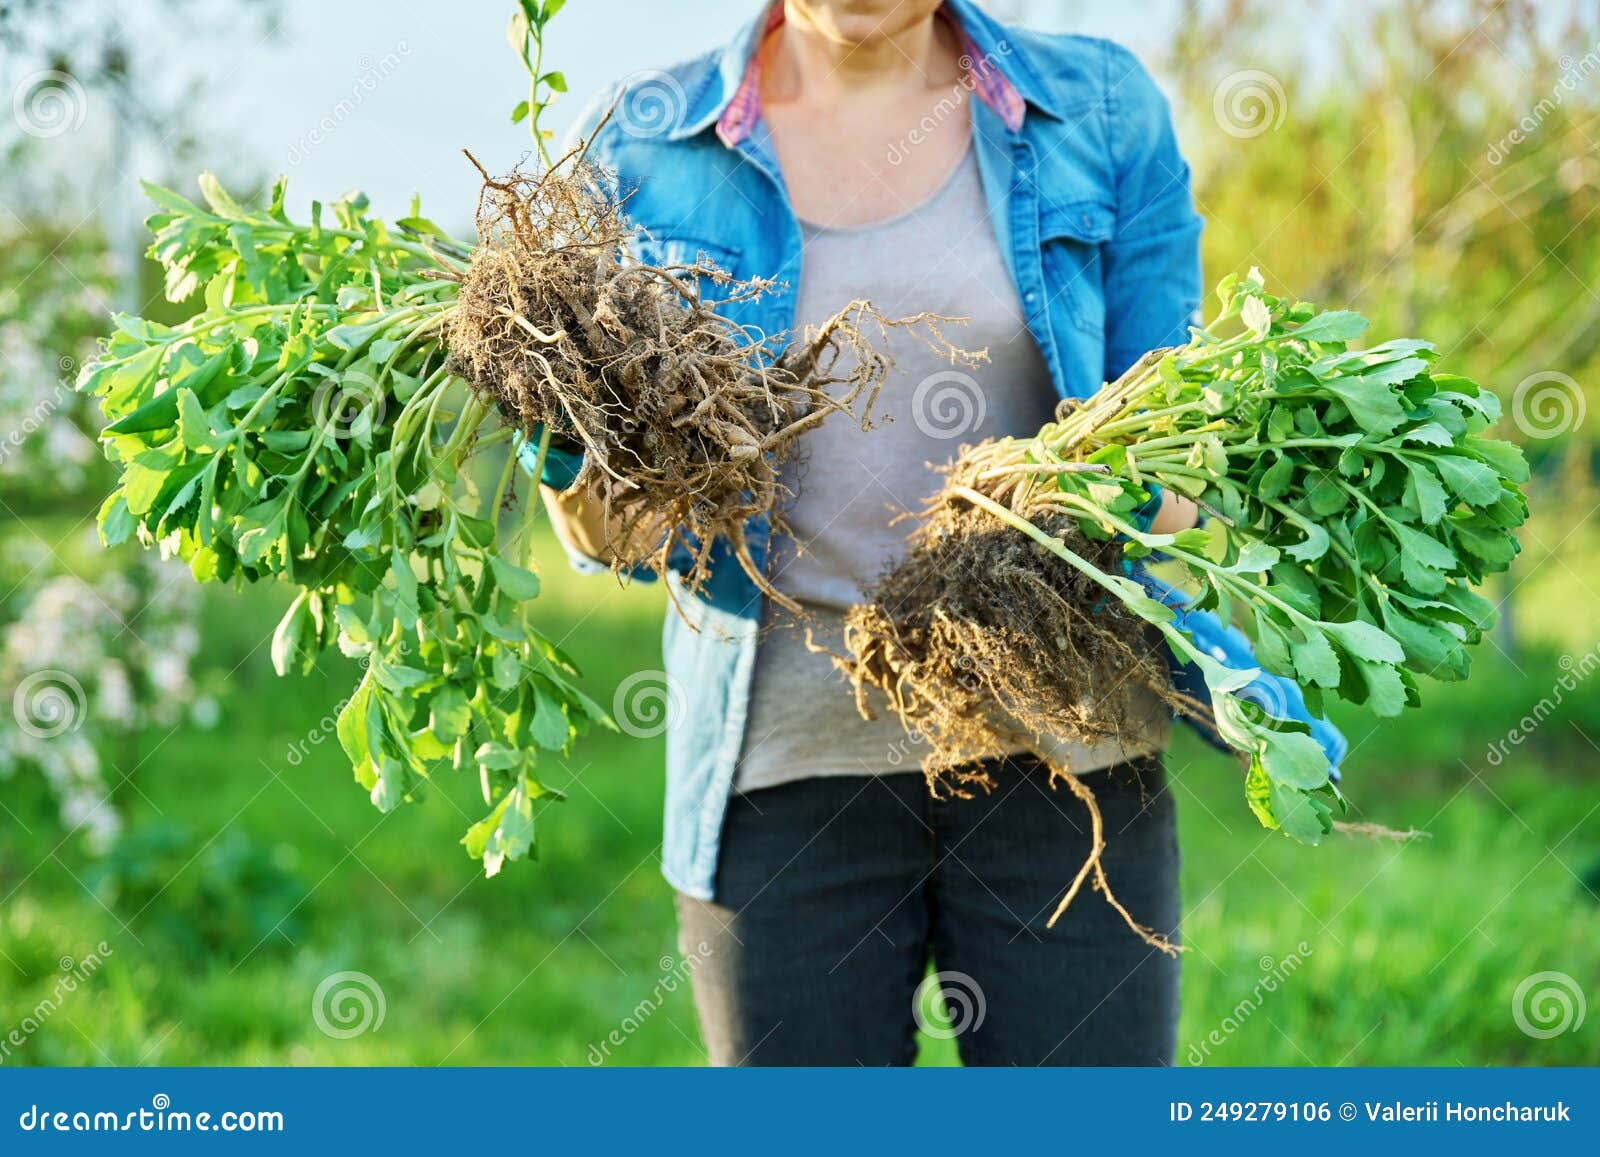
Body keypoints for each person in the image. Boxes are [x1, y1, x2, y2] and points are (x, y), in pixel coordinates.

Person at [532, 0, 1332, 1065]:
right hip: (785, 764)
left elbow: (1176, 448)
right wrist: (589, 483)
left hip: (1067, 744)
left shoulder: (1093, 110)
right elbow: (601, 519)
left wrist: (1059, 500)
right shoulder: (641, 140)